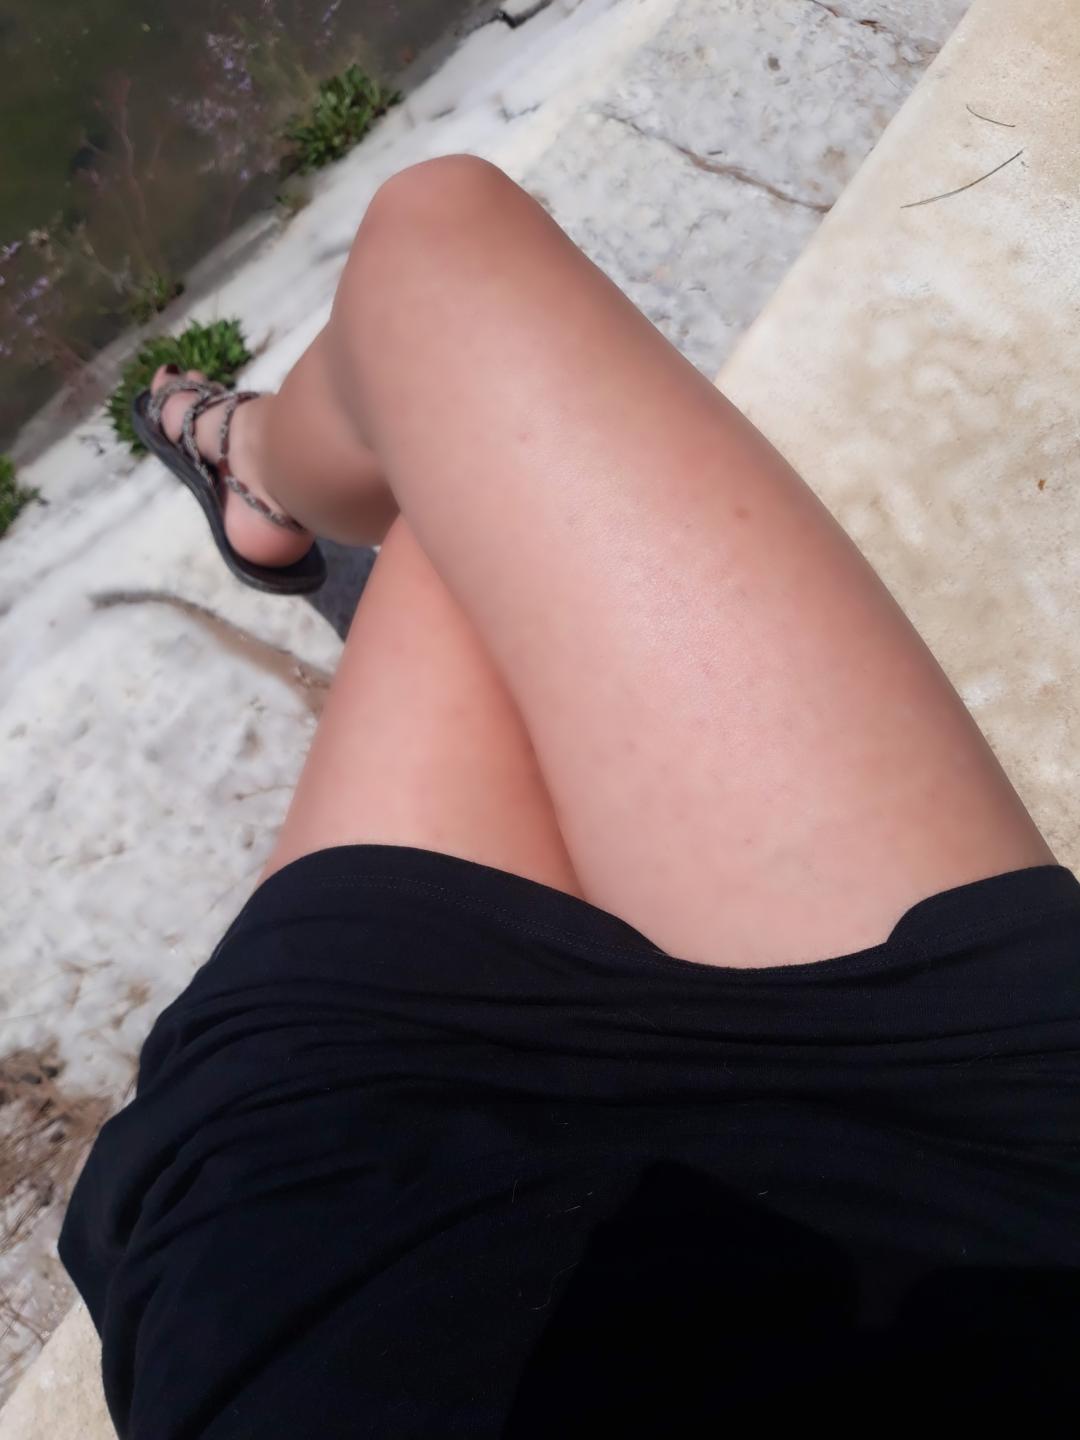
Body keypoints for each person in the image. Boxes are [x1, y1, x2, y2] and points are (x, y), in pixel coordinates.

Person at [60, 158, 1080, 1435]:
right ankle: (254, 458)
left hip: (393, 1263)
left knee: (445, 285)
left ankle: (251, 461)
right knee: (453, 349)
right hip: (978, 1186)